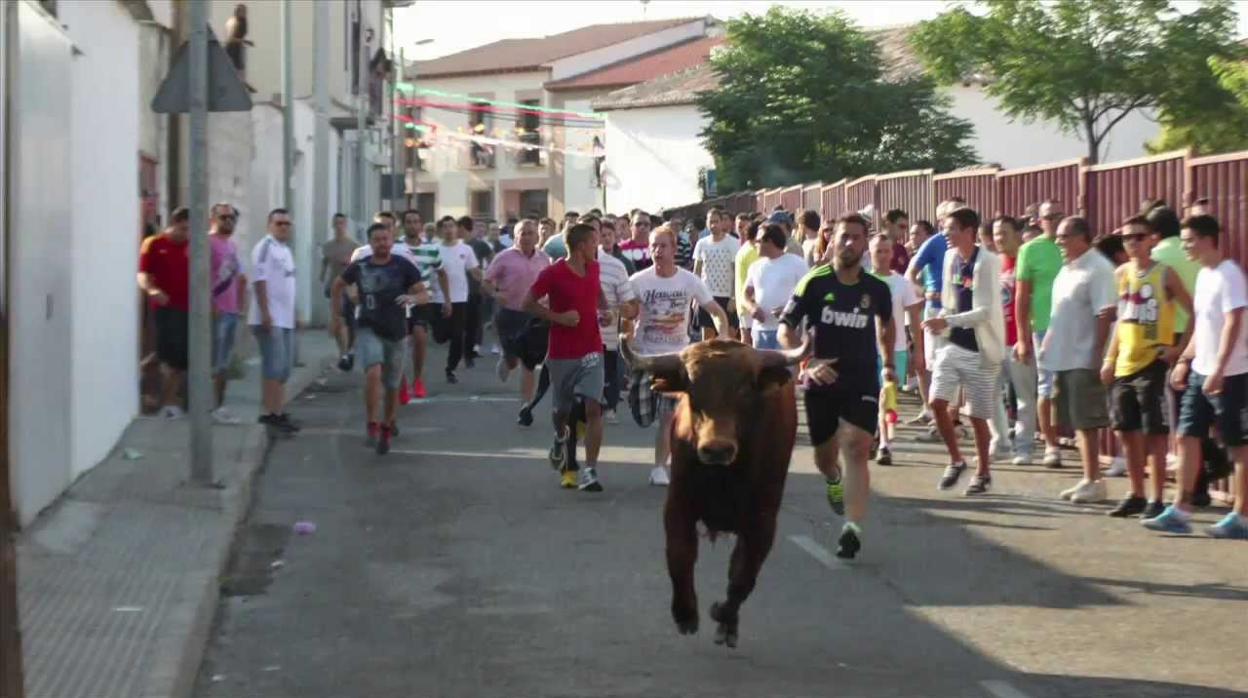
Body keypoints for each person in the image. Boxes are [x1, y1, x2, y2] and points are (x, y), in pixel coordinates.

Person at [779, 214, 893, 559]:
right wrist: (806, 361)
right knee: (825, 456)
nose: (849, 243)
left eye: (856, 238)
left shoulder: (876, 288)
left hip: (862, 379)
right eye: (843, 237)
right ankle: (832, 479)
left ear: (864, 243)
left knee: (857, 447)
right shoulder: (814, 282)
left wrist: (888, 366)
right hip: (821, 379)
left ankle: (851, 528)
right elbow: (786, 326)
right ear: (832, 240)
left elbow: (887, 327)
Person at [1146, 215, 1248, 539]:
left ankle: (1241, 516)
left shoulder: (1229, 275)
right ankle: (1180, 510)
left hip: (1232, 375)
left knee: (1238, 446)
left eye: (1189, 240)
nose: (1185, 245)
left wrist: (1218, 369)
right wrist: (1184, 360)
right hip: (1199, 372)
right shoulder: (1204, 275)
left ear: (1207, 240)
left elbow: (1234, 323)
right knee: (1187, 436)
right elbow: (1203, 325)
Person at [1101, 216, 1192, 518]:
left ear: (1151, 239)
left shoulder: (1165, 274)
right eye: (1127, 239)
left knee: (1154, 433)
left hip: (1152, 360)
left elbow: (1193, 312)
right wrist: (1109, 359)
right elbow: (1121, 320)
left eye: (1138, 237)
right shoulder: (1122, 274)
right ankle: (1136, 493)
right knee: (1126, 431)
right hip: (1125, 360)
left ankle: (1157, 498)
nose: (1133, 243)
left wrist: (1178, 350)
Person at [626, 225, 728, 486]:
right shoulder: (638, 281)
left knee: (667, 416)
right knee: (643, 416)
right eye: (654, 246)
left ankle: (660, 467)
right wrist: (621, 322)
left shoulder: (689, 280)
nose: (657, 251)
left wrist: (723, 335)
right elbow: (626, 312)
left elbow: (715, 311)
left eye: (663, 246)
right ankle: (663, 456)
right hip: (645, 356)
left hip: (677, 358)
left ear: (674, 250)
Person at [923, 207, 1005, 495]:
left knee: (978, 416)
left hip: (981, 349)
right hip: (952, 344)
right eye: (945, 228)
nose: (946, 233)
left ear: (969, 231)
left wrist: (946, 320)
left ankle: (983, 472)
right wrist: (939, 323)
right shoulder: (949, 258)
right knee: (936, 403)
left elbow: (983, 311)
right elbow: (949, 300)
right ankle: (956, 460)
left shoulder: (988, 262)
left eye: (952, 228)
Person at [523, 224, 608, 492]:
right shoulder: (553, 273)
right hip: (562, 353)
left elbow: (597, 292)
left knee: (594, 407)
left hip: (592, 348)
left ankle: (591, 471)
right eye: (594, 242)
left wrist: (604, 310)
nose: (597, 246)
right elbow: (527, 303)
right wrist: (558, 318)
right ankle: (561, 435)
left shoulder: (594, 267)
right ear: (582, 246)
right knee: (562, 411)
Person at [1041, 216, 1117, 503]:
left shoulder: (1098, 269)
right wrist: (1048, 342)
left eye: (1065, 236)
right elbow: (1059, 312)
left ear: (1082, 237)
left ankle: (1094, 480)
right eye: (1058, 237)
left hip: (1084, 357)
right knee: (1074, 421)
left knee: (1087, 421)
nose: (1059, 241)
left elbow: (1105, 314)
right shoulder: (1068, 269)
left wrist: (1097, 354)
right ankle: (1088, 477)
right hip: (1064, 356)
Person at [332, 223, 425, 454]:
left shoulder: (403, 265)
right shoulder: (360, 266)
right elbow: (338, 284)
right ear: (370, 243)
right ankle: (372, 423)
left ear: (392, 241)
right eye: (377, 240)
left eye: (385, 239)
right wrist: (336, 316)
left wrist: (412, 299)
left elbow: (423, 292)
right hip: (368, 327)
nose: (382, 243)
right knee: (373, 373)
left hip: (396, 331)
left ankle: (387, 424)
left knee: (392, 384)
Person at [1015, 199, 1066, 467]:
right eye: (1050, 217)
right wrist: (1023, 338)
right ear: (1039, 221)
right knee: (1047, 387)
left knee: (1077, 388)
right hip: (1045, 327)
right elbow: (1021, 297)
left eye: (1060, 216)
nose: (1055, 221)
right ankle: (1050, 444)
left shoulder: (1075, 247)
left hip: (1077, 327)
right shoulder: (1030, 250)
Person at [868, 232, 924, 466]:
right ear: (870, 253)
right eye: (878, 251)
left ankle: (885, 445)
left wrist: (917, 352)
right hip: (866, 350)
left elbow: (913, 318)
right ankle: (875, 435)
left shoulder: (902, 284)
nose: (882, 255)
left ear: (893, 253)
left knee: (887, 398)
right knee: (871, 400)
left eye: (886, 251)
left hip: (897, 350)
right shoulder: (862, 282)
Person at [484, 219, 550, 405]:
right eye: (523, 233)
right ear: (515, 236)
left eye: (530, 233)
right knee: (513, 360)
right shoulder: (504, 257)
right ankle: (506, 359)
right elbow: (487, 281)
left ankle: (525, 405)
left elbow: (551, 285)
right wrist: (496, 295)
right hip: (510, 314)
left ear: (537, 236)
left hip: (534, 314)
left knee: (528, 362)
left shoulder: (544, 258)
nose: (527, 237)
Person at [906, 199, 958, 427]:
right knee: (937, 366)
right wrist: (926, 293)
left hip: (960, 312)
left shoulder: (970, 245)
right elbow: (910, 274)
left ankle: (950, 419)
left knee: (957, 365)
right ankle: (939, 419)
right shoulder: (935, 243)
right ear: (941, 220)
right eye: (954, 214)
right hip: (936, 309)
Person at [249, 209, 300, 435]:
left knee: (285, 368)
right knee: (274, 366)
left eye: (287, 224)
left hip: (285, 318)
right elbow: (259, 281)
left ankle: (277, 408)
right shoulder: (265, 247)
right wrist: (265, 313)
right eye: (279, 223)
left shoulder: (286, 250)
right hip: (270, 318)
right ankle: (272, 413)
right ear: (269, 225)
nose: (283, 227)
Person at [137, 207, 191, 419]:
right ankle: (166, 402)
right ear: (173, 223)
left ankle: (168, 402)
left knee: (178, 359)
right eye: (183, 228)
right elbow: (142, 274)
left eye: (189, 230)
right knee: (168, 356)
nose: (185, 234)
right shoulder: (154, 243)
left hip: (189, 309)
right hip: (165, 309)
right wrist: (152, 290)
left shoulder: (194, 246)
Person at [993, 216, 1036, 464]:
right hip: (995, 342)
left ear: (1018, 234)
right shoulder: (994, 263)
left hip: (1019, 340)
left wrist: (1025, 338)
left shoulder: (1025, 261)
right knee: (990, 394)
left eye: (1005, 233)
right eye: (997, 233)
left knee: (1024, 397)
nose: (1000, 238)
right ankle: (1000, 442)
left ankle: (1025, 447)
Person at [401, 209, 449, 399]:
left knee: (420, 337)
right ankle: (401, 380)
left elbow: (442, 273)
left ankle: (418, 379)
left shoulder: (432, 249)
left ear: (421, 225)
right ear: (403, 225)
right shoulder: (396, 247)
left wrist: (446, 299)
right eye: (409, 222)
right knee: (400, 342)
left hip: (422, 300)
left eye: (416, 222)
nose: (412, 225)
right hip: (400, 300)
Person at [429, 216, 481, 384]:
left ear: (456, 229)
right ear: (440, 230)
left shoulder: (465, 249)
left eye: (451, 226)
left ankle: (450, 368)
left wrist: (490, 285)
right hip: (437, 298)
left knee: (458, 335)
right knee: (440, 336)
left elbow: (475, 271)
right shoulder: (433, 249)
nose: (449, 230)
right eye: (445, 227)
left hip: (460, 298)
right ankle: (444, 336)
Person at [596, 223, 638, 424]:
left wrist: (616, 313)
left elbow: (629, 304)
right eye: (600, 235)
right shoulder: (571, 265)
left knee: (612, 371)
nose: (604, 239)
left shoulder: (619, 265)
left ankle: (610, 405)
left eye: (607, 235)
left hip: (610, 334)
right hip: (582, 336)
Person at [742, 223, 808, 351]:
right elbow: (745, 294)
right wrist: (752, 308)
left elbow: (809, 294)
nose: (755, 244)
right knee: (763, 371)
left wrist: (788, 310)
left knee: (786, 371)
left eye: (758, 241)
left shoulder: (797, 263)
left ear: (770, 241)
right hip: (760, 331)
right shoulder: (755, 267)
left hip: (788, 331)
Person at [209, 203, 247, 424]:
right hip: (216, 311)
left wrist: (241, 306)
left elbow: (239, 277)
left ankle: (219, 406)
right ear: (213, 219)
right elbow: (201, 276)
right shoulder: (207, 243)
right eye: (223, 217)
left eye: (232, 218)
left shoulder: (231, 246)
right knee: (214, 361)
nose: (229, 222)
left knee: (223, 363)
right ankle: (207, 406)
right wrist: (210, 304)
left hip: (231, 311)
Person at [692, 207, 740, 340]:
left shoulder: (733, 243)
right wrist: (695, 297)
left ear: (722, 222)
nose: (713, 225)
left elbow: (736, 272)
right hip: (707, 296)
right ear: (707, 223)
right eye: (710, 222)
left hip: (726, 297)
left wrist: (733, 297)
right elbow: (697, 271)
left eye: (716, 221)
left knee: (728, 339)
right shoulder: (702, 244)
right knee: (708, 340)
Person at [322, 213, 360, 371]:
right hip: (334, 287)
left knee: (352, 323)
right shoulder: (328, 246)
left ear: (346, 225)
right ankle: (343, 353)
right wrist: (322, 279)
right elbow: (325, 264)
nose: (339, 226)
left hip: (350, 288)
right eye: (336, 223)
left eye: (342, 223)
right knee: (339, 320)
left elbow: (360, 267)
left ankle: (350, 351)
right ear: (332, 225)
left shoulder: (354, 246)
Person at [458, 216, 493, 367]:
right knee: (459, 323)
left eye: (457, 228)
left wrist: (488, 279)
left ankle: (469, 353)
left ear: (463, 228)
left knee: (473, 323)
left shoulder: (480, 245)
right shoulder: (455, 245)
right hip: (457, 291)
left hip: (474, 289)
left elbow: (494, 260)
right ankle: (461, 352)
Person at [734, 220, 763, 346]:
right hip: (751, 303)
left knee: (745, 340)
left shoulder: (744, 249)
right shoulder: (753, 252)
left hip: (743, 302)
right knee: (750, 343)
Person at [882, 209, 912, 274]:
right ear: (888, 225)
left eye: (906, 228)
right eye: (902, 226)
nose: (905, 231)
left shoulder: (901, 249)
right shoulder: (873, 247)